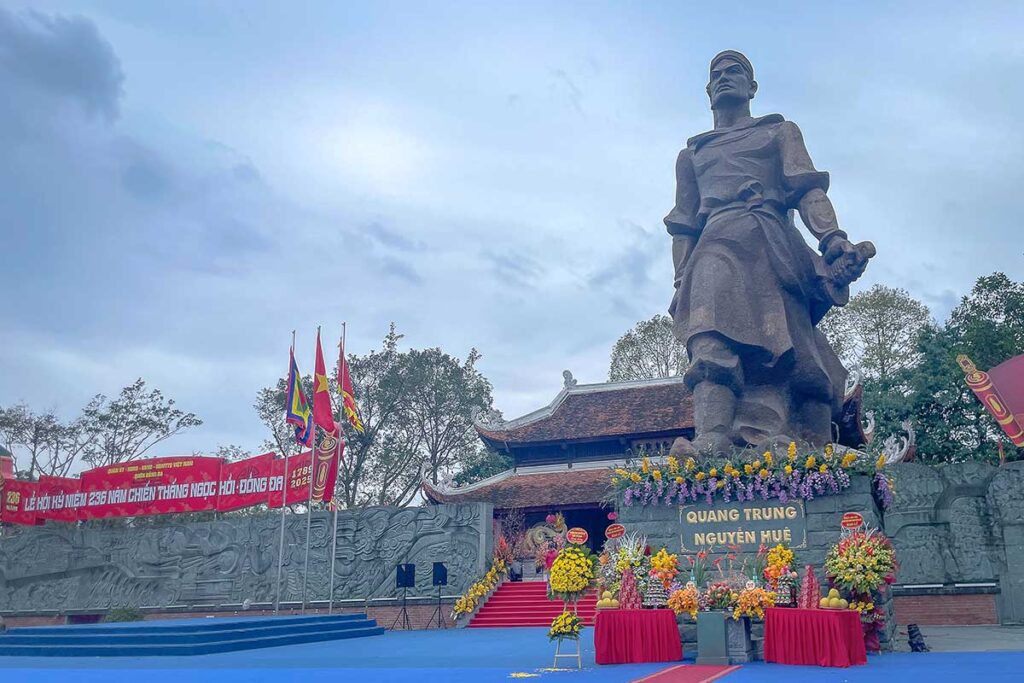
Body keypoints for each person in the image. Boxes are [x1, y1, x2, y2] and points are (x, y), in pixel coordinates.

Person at [666, 51, 872, 453]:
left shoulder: (778, 132)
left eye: (735, 71)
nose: (725, 78)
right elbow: (684, 224)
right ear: (708, 91)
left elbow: (807, 189)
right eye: (717, 75)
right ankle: (713, 437)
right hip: (715, 245)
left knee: (792, 351)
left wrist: (831, 240)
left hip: (772, 245)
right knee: (708, 337)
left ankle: (801, 442)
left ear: (752, 87)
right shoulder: (692, 155)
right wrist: (681, 279)